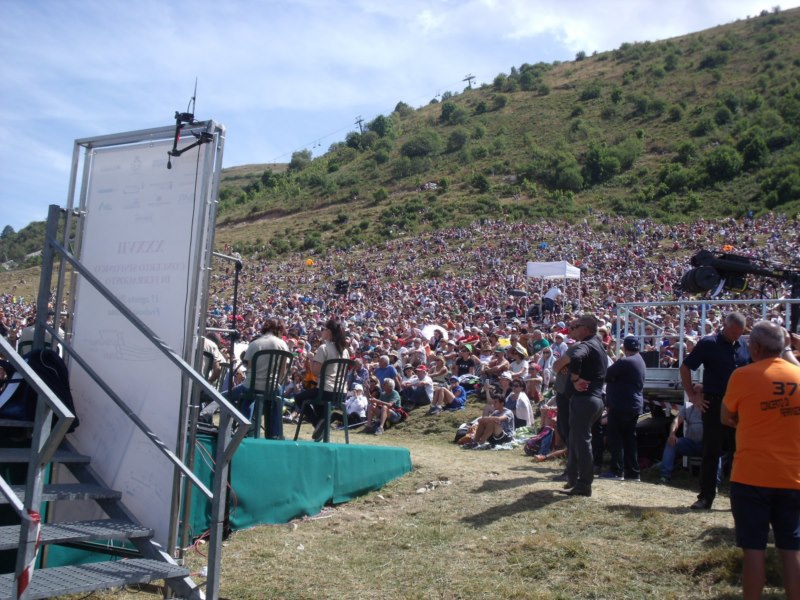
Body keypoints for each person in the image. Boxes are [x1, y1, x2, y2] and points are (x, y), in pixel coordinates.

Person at [720, 321, 800, 600]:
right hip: (793, 476)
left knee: (753, 549)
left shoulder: (742, 376)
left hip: (751, 474)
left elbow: (726, 416)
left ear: (754, 347)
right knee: (791, 549)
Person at [680, 311, 749, 510]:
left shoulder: (744, 345)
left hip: (740, 405)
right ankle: (706, 497)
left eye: (739, 332)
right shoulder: (709, 343)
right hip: (715, 404)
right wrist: (692, 395)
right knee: (711, 451)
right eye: (733, 331)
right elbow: (686, 367)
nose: (736, 335)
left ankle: (740, 499)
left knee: (741, 452)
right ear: (724, 327)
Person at [558, 315, 607, 497]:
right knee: (575, 440)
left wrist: (575, 378)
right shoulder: (598, 345)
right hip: (594, 399)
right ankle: (573, 479)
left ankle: (584, 484)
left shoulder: (585, 345)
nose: (572, 330)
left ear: (585, 328)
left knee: (582, 441)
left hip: (585, 400)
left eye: (575, 326)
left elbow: (577, 357)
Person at [295, 318, 350, 441]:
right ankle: (322, 427)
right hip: (341, 392)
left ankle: (318, 425)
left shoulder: (324, 348)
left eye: (323, 329)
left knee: (298, 398)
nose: (322, 331)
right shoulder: (344, 350)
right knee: (318, 401)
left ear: (329, 331)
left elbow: (315, 372)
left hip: (326, 390)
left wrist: (310, 358)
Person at [601, 336, 646, 481]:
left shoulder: (625, 361)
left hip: (621, 405)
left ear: (624, 348)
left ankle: (616, 471)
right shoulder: (640, 360)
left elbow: (606, 375)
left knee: (616, 438)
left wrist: (614, 379)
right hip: (633, 404)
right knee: (629, 439)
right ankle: (633, 473)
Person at [658, 401, 721, 485]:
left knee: (715, 449)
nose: (695, 396)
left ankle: (714, 483)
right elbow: (676, 421)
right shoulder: (688, 406)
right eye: (694, 392)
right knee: (671, 442)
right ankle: (664, 477)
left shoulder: (711, 406)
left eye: (699, 393)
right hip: (689, 443)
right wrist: (672, 434)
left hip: (705, 445)